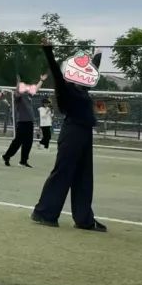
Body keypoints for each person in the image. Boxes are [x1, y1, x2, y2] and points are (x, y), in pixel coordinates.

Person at [31, 39, 106, 231]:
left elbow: (93, 69)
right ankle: (44, 213)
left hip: (84, 134)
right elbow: (56, 72)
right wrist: (48, 51)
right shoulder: (65, 90)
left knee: (84, 176)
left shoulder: (83, 88)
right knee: (63, 173)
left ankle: (84, 219)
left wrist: (98, 53)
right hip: (72, 133)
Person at [2, 74, 49, 168]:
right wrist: (18, 83)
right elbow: (17, 92)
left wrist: (41, 80)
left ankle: (23, 161)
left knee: (28, 142)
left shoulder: (28, 95)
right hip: (22, 122)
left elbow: (36, 88)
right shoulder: (19, 96)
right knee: (18, 141)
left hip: (29, 122)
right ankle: (7, 156)